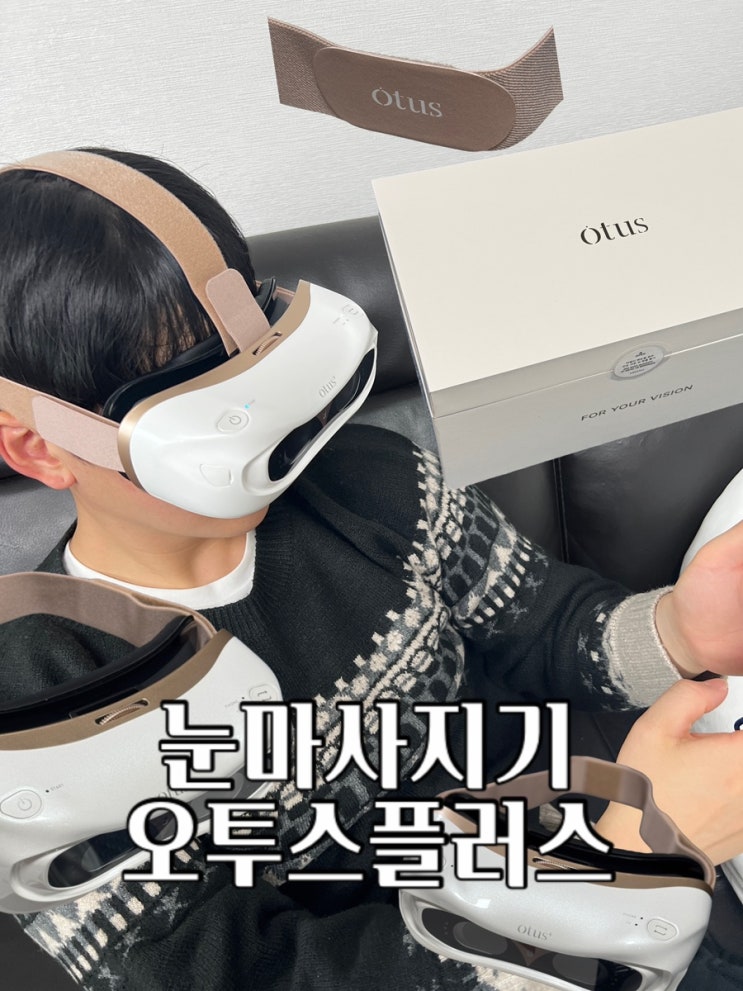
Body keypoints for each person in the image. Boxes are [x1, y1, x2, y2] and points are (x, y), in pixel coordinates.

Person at [0, 148, 742, 991]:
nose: (259, 417)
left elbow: (547, 626)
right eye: (186, 387)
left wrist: (679, 630)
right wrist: (610, 879)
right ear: (38, 447)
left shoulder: (371, 480)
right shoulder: (40, 708)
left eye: (251, 346)